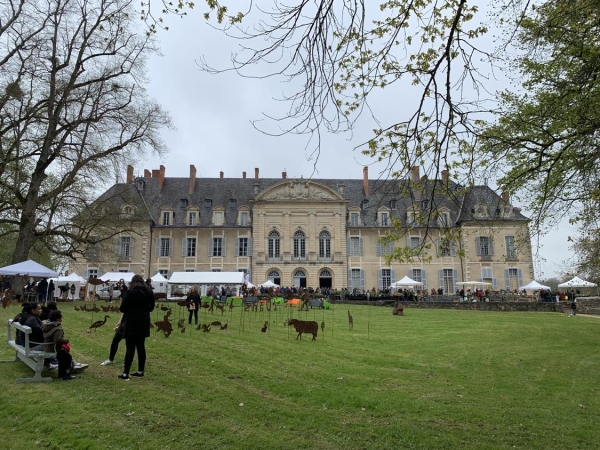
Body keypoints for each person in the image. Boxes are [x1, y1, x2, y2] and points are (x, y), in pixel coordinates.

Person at [118, 274, 155, 380]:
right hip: (143, 321)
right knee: (141, 346)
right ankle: (140, 370)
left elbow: (122, 309)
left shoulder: (130, 292)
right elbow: (151, 308)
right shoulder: (149, 292)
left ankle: (126, 373)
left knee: (130, 347)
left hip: (131, 321)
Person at [43, 310, 76, 380]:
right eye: (61, 317)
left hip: (47, 347)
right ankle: (65, 374)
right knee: (67, 357)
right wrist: (66, 340)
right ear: (58, 319)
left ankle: (61, 373)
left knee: (64, 356)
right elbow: (58, 340)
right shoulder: (57, 329)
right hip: (53, 349)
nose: (62, 319)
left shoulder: (47, 325)